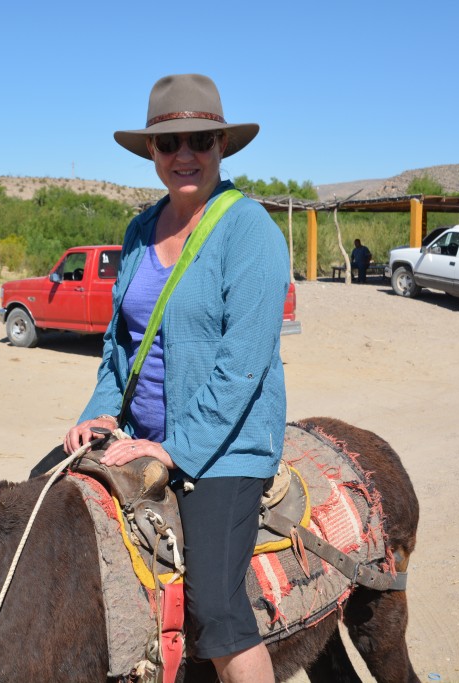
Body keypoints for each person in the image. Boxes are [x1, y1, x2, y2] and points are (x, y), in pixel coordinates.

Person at [63, 74, 288, 683]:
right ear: (152, 155)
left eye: (200, 140)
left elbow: (242, 365)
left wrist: (173, 446)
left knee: (216, 609)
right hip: (138, 430)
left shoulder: (251, 234)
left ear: (222, 147)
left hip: (226, 448)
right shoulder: (140, 233)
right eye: (169, 144)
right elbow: (120, 345)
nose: (184, 154)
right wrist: (99, 414)